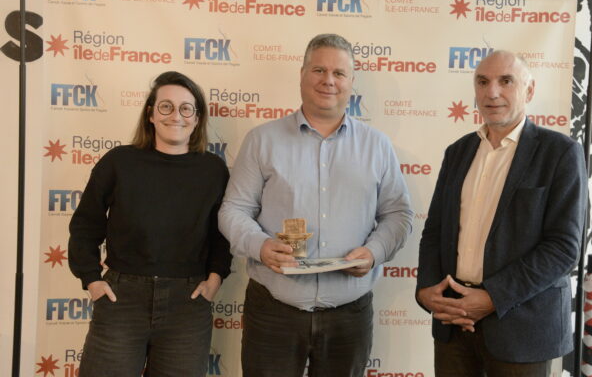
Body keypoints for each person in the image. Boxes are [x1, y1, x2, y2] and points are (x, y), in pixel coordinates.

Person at [218, 33, 414, 377]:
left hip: (349, 315)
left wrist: (374, 252)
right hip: (274, 310)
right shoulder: (262, 140)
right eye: (319, 70)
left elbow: (398, 214)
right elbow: (233, 210)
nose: (329, 80)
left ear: (351, 82)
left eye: (339, 73)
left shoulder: (377, 146)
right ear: (302, 74)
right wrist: (260, 246)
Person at [416, 50, 588, 377]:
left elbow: (564, 248)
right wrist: (426, 289)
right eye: (482, 82)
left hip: (523, 330)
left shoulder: (560, 152)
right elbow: (435, 230)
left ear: (529, 90)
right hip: (454, 325)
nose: (491, 92)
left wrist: (492, 298)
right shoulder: (458, 152)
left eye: (506, 81)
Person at [68, 71, 232, 377]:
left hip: (188, 303)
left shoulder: (213, 170)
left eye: (186, 108)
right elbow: (86, 224)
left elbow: (221, 234)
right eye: (166, 106)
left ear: (197, 118)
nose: (176, 116)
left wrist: (215, 277)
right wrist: (91, 279)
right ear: (151, 114)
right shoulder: (119, 162)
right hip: (122, 298)